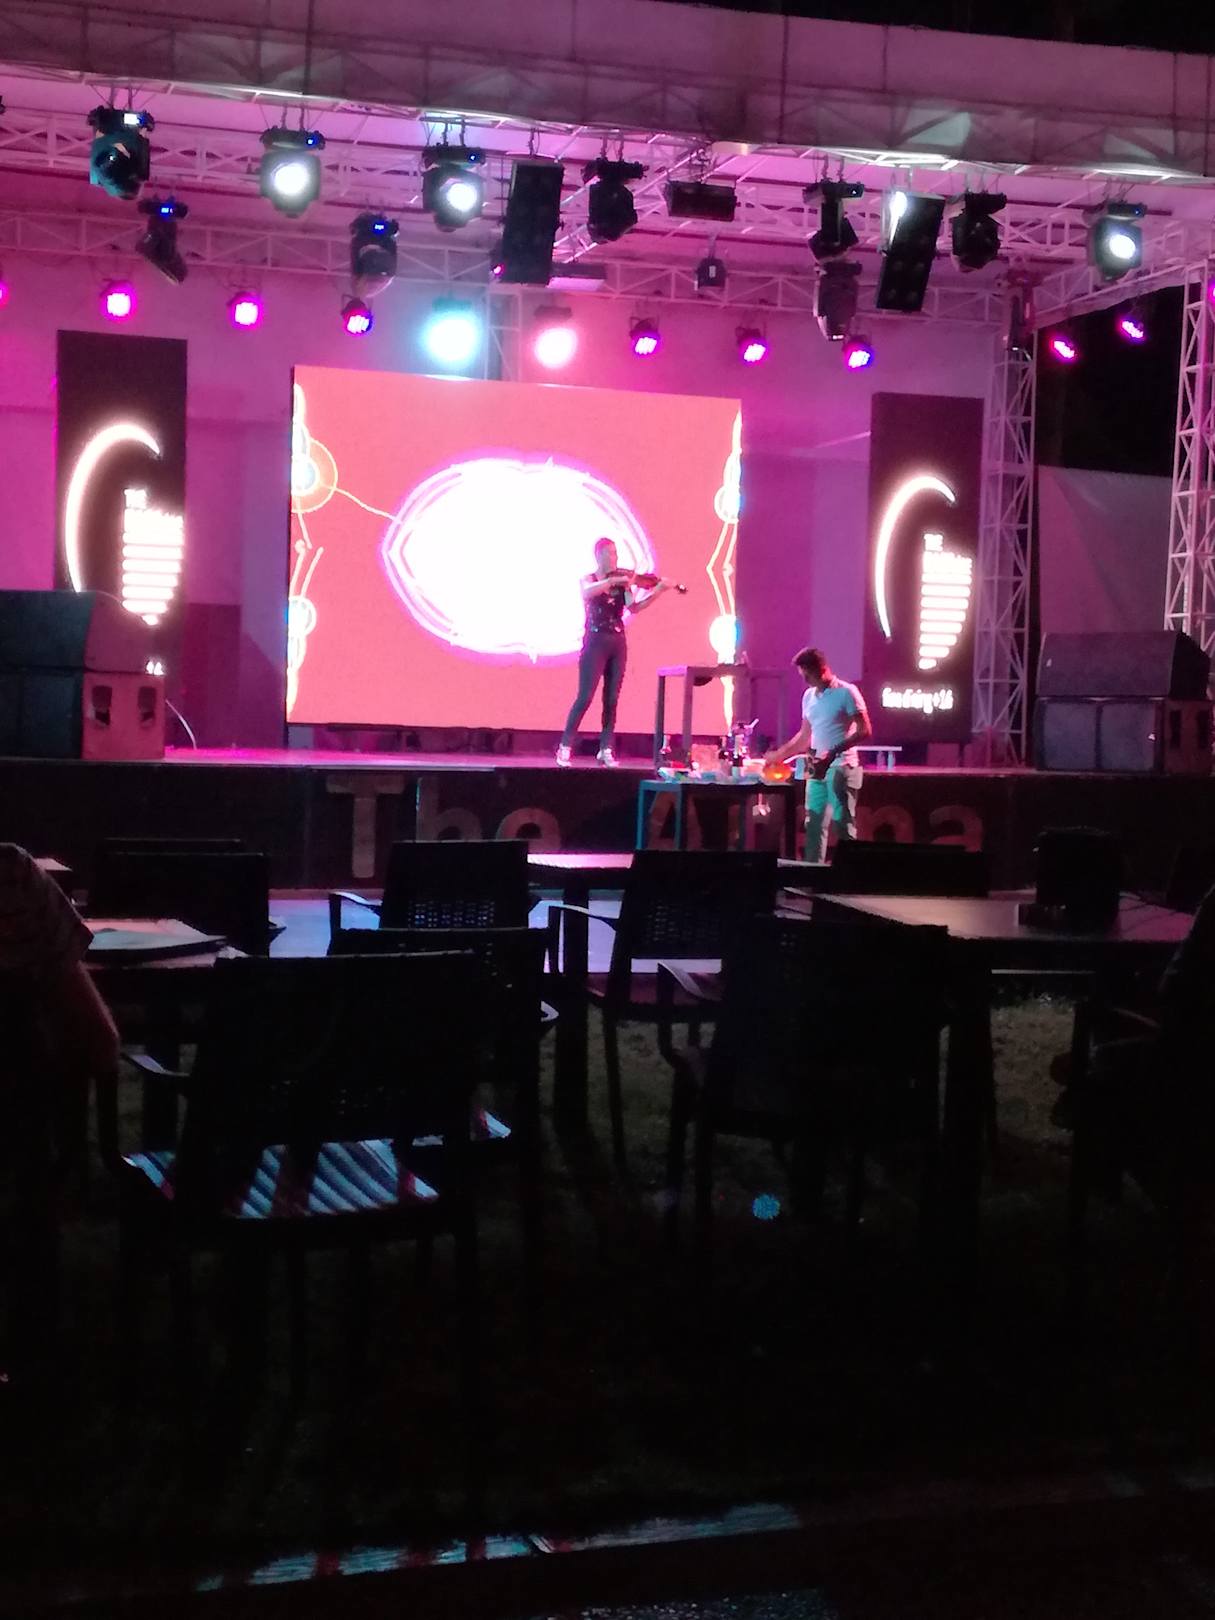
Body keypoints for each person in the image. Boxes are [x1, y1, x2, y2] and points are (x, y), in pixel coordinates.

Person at [557, 537, 674, 767]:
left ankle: (606, 748)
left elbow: (634, 607)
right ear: (598, 555)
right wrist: (612, 581)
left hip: (617, 643)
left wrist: (658, 591)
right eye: (610, 553)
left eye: (615, 554)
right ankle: (565, 747)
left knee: (611, 699)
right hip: (595, 641)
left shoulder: (622, 583)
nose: (614, 558)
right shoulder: (589, 580)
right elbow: (587, 593)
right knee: (585, 696)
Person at [764, 647, 872, 861]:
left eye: (808, 674)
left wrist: (832, 753)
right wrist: (779, 755)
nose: (805, 680)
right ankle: (813, 873)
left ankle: (849, 873)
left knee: (842, 823)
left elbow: (865, 730)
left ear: (822, 669)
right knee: (813, 823)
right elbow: (804, 736)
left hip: (842, 766)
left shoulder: (846, 692)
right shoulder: (809, 696)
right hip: (816, 768)